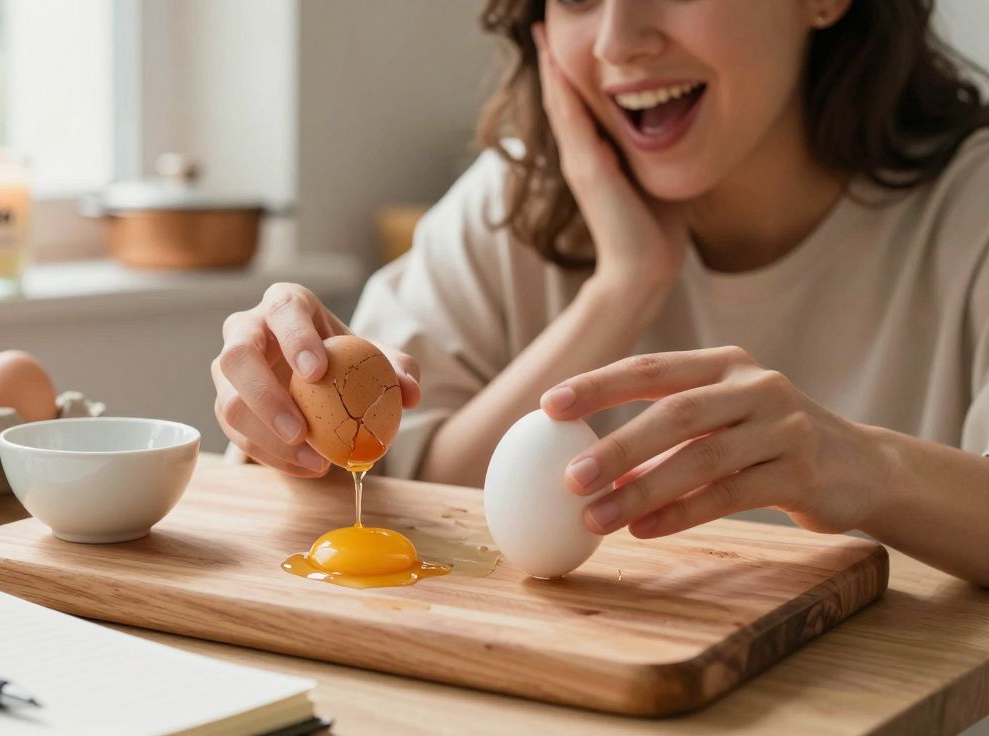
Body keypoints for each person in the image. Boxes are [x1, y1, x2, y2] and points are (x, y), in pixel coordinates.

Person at [210, 0, 989, 587]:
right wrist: (622, 289)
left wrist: (869, 468)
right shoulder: (515, 200)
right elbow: (404, 485)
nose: (620, 41)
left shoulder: (970, 211)